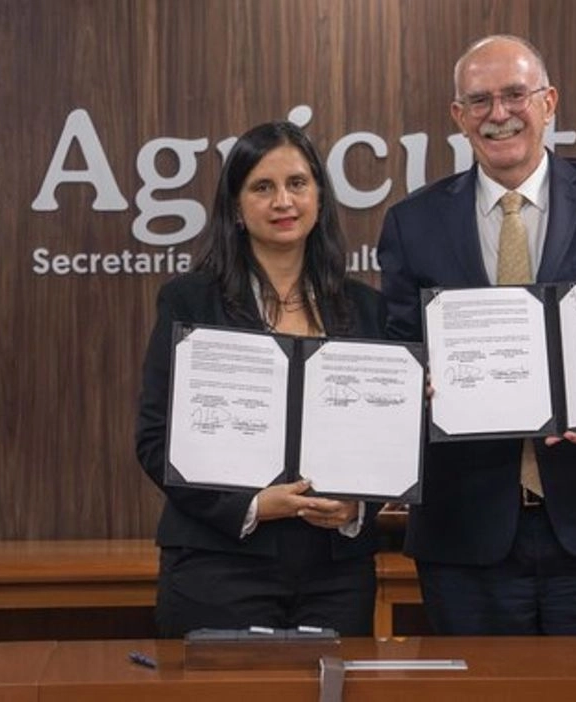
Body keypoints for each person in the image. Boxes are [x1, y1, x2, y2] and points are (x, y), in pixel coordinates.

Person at [377, 34, 576, 635]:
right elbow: (397, 352)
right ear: (458, 117)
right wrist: (412, 386)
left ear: (549, 102)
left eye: (515, 94)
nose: (499, 114)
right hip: (465, 533)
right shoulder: (413, 223)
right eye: (479, 101)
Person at [135, 121, 387, 638]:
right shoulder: (190, 302)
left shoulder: (366, 309)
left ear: (319, 195)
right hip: (219, 561)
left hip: (335, 570)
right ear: (235, 207)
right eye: (262, 187)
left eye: (297, 183)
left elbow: (390, 438)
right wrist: (250, 506)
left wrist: (358, 505)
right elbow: (155, 438)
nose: (283, 201)